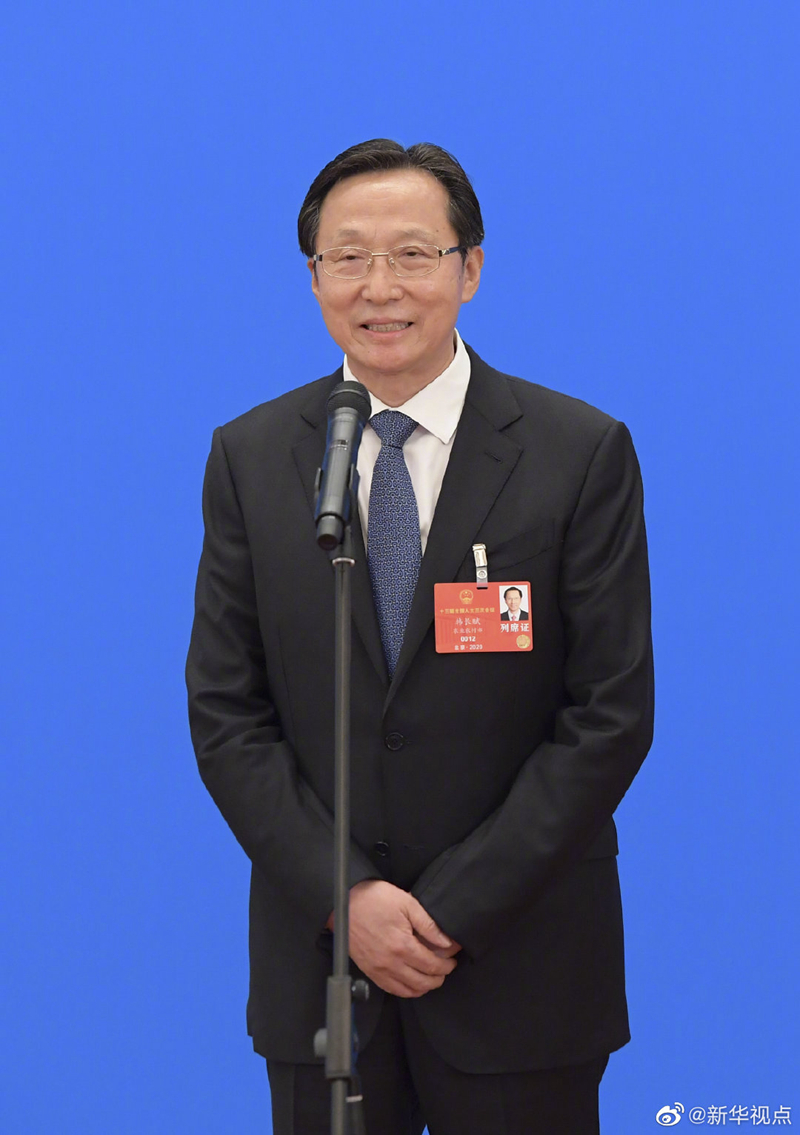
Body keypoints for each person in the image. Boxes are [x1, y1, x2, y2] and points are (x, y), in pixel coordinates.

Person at [186, 138, 654, 1135]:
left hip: (522, 970)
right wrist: (346, 894)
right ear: (313, 275)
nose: (379, 286)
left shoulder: (577, 453)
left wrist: (451, 909)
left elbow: (609, 715)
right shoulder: (252, 458)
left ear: (469, 268)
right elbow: (227, 714)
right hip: (324, 977)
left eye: (412, 253)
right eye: (347, 257)